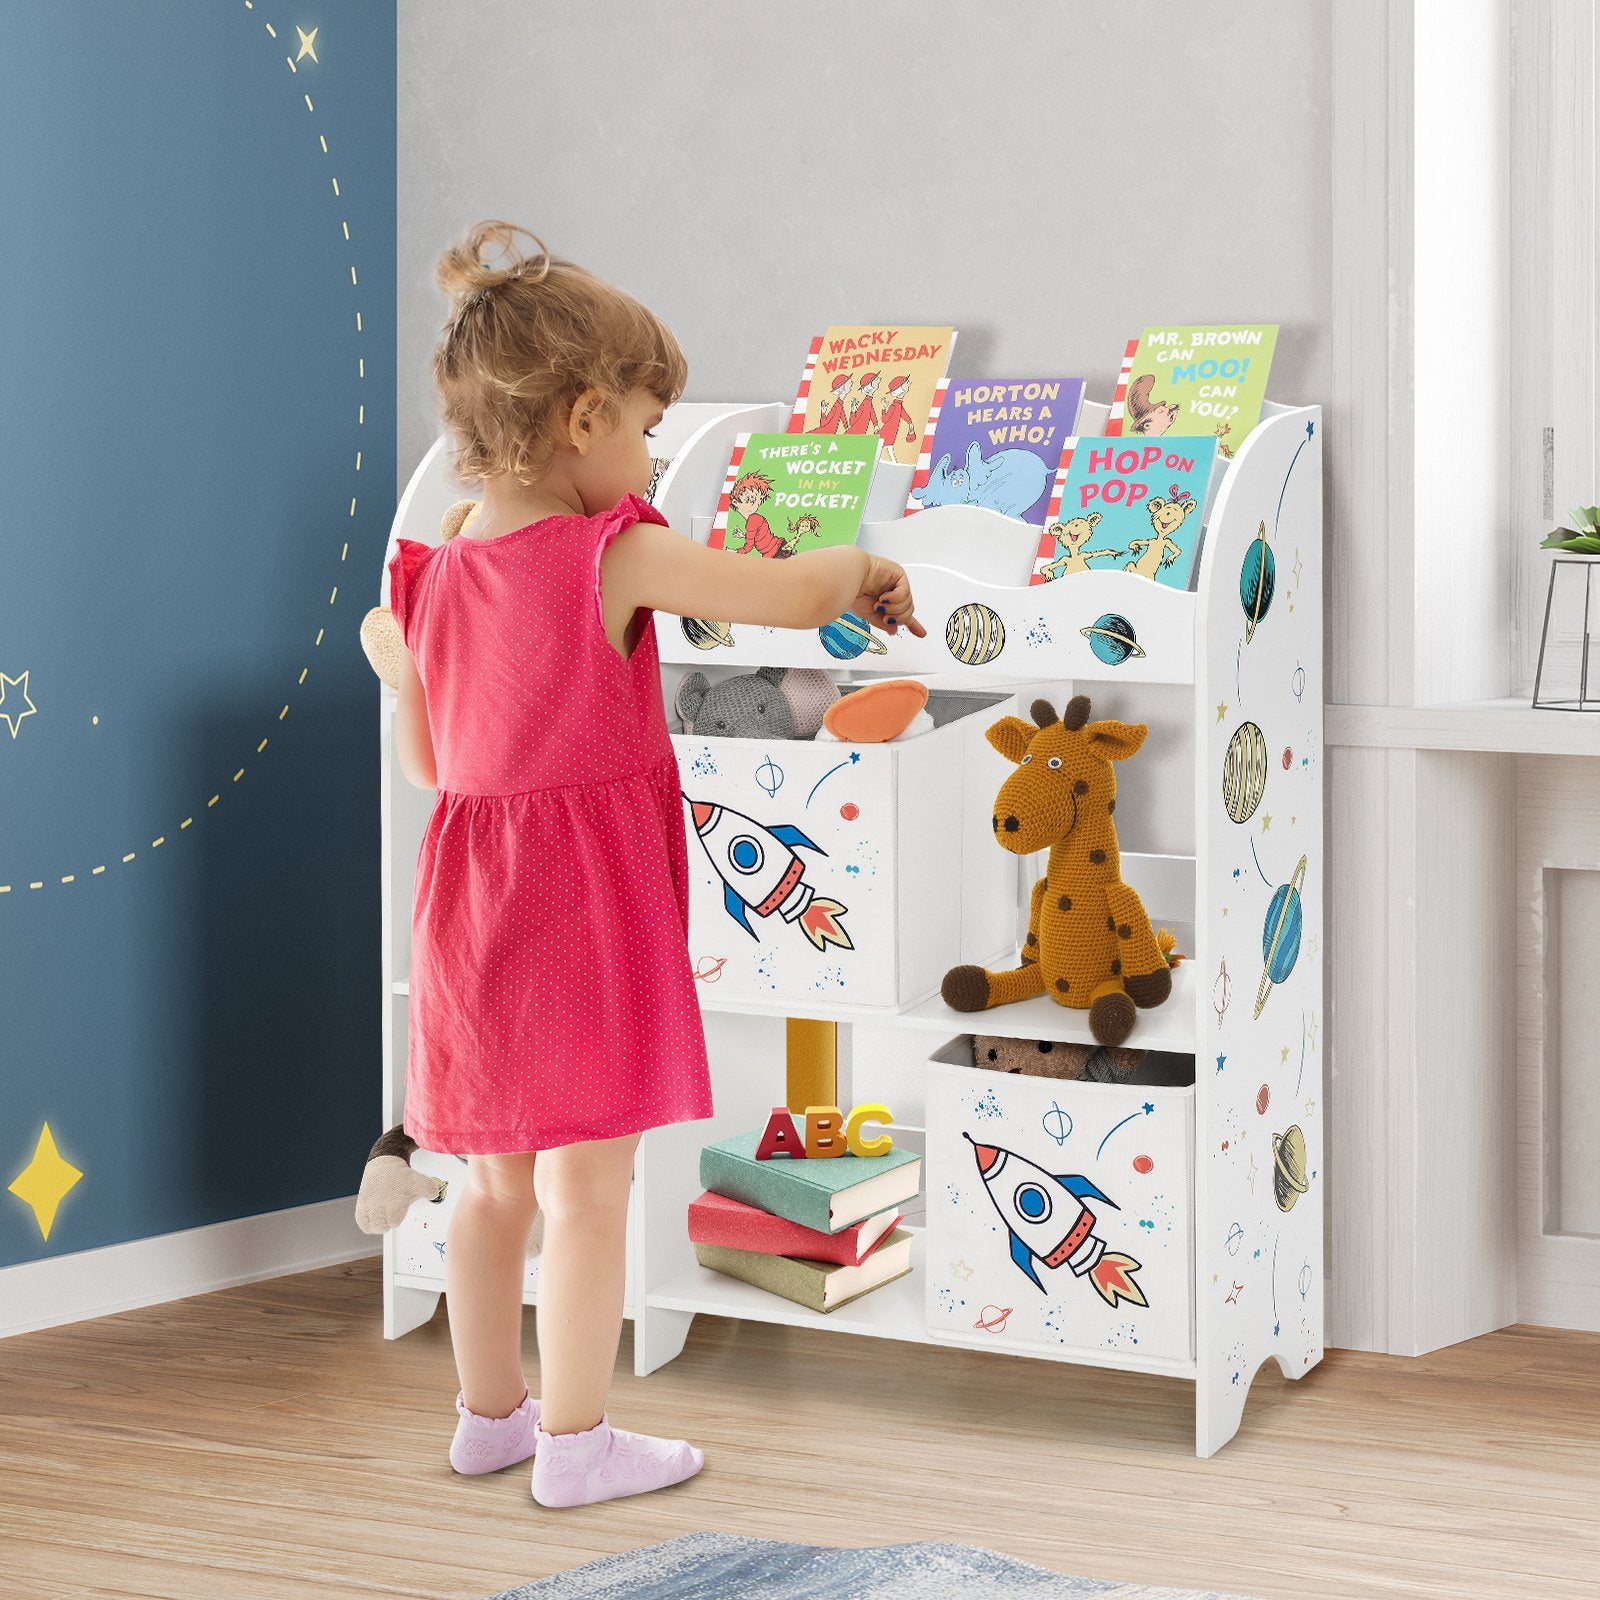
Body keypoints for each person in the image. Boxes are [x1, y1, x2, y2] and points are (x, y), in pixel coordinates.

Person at [388, 220, 924, 1509]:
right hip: (580, 900)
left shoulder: (438, 566)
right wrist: (868, 564)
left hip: (468, 899)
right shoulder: (606, 554)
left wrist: (391, 668)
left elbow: (427, 768)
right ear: (581, 421)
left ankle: (489, 1417)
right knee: (592, 1185)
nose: (650, 456)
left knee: (491, 1181)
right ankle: (577, 1445)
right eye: (643, 427)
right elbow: (788, 597)